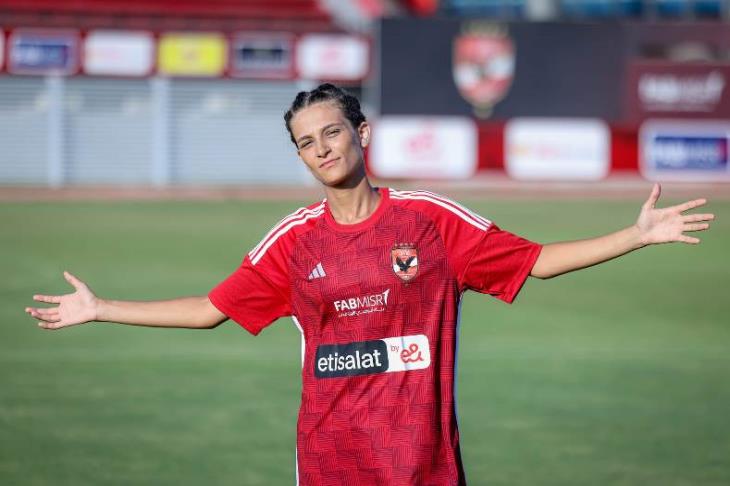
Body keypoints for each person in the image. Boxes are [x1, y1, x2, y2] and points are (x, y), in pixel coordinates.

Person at [25, 84, 714, 485]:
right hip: (330, 461)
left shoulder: (431, 221)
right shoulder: (293, 241)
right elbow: (212, 310)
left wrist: (635, 236)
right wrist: (101, 308)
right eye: (307, 142)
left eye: (332, 132)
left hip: (424, 462)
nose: (322, 148)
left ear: (362, 132)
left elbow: (533, 260)